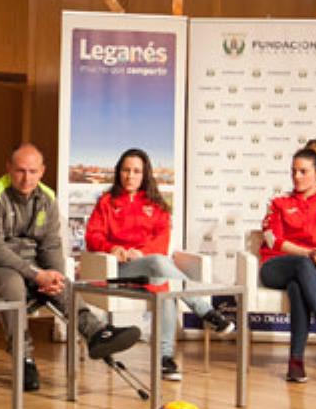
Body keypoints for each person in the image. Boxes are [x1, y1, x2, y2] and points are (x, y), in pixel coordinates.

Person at [0, 143, 141, 392]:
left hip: (29, 265)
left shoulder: (47, 197)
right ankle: (24, 359)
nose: (26, 178)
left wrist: (53, 276)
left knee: (59, 278)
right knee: (12, 281)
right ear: (9, 168)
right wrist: (37, 274)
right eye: (20, 171)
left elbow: (51, 246)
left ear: (42, 171)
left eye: (33, 171)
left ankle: (96, 333)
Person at [84, 148, 234, 381]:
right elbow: (92, 236)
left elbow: (162, 242)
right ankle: (206, 311)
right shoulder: (106, 202)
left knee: (163, 283)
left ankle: (165, 359)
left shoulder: (156, 204)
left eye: (136, 171)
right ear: (118, 172)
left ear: (145, 174)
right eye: (126, 170)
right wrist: (113, 249)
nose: (130, 176)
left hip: (150, 270)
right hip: (119, 271)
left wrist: (141, 253)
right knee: (160, 267)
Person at [258, 140, 316, 383]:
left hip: (312, 271)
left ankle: (296, 362)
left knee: (297, 287)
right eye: (293, 171)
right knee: (302, 266)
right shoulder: (278, 202)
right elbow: (273, 241)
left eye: (303, 171)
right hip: (275, 267)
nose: (297, 176)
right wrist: (310, 253)